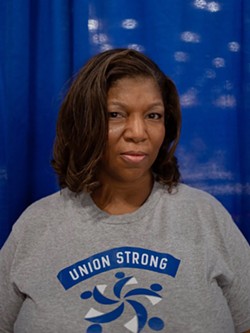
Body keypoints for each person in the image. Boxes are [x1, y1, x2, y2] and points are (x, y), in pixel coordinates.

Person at [0, 48, 249, 333]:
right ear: (84, 122)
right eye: (116, 114)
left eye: (154, 115)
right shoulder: (36, 224)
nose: (138, 132)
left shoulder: (205, 214)